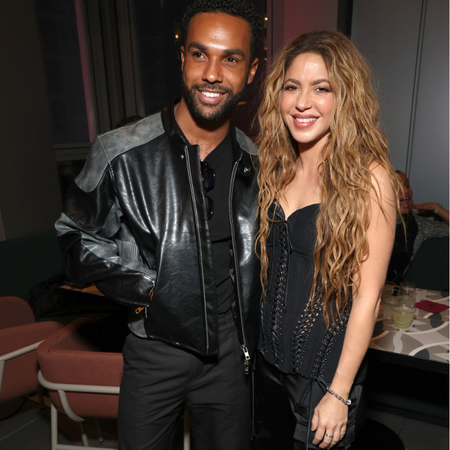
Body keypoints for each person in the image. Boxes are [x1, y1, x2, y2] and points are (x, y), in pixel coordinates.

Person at [55, 1, 262, 449]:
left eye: (231, 58)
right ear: (181, 57)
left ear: (251, 71)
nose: (212, 72)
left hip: (231, 354)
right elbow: (74, 235)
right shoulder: (120, 151)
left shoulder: (260, 162)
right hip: (154, 347)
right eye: (199, 54)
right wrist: (151, 289)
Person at [253, 31, 401, 450]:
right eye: (292, 87)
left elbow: (368, 299)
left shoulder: (368, 178)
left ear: (345, 97)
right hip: (266, 367)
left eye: (322, 88)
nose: (303, 102)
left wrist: (338, 393)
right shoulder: (276, 164)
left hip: (324, 378)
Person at [387, 170, 449, 283]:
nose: (406, 190)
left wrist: (435, 207)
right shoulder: (363, 225)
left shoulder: (418, 225)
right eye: (396, 187)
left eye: (407, 185)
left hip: (393, 295)